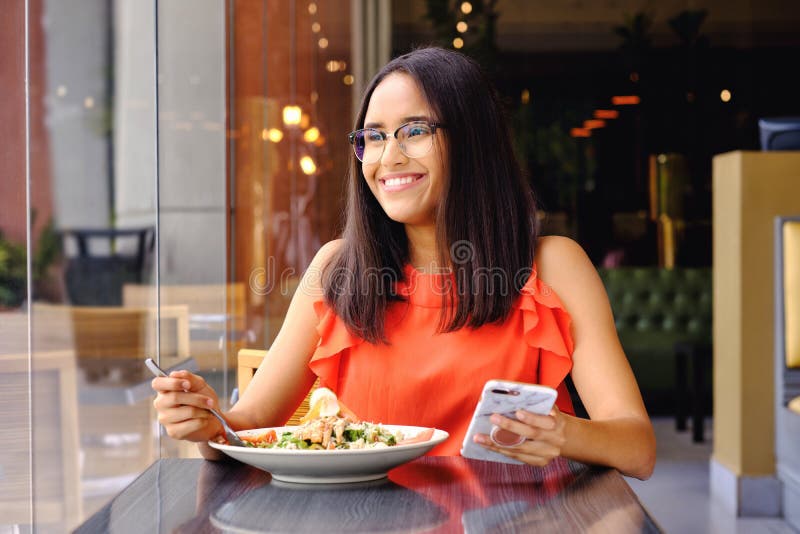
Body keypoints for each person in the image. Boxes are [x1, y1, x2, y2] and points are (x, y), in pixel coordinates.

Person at [152, 47, 656, 479]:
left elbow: (637, 447)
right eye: (372, 137)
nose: (386, 156)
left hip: (510, 520)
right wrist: (206, 422)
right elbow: (249, 425)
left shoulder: (552, 265)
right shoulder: (336, 268)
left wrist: (562, 433)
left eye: (413, 131)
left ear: (471, 140)